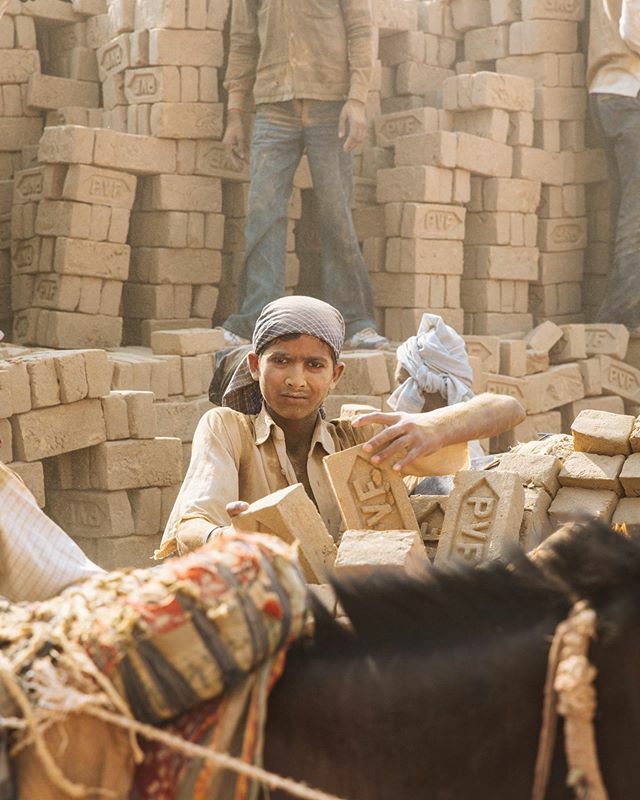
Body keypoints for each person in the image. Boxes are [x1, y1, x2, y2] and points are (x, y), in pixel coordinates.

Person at [160, 296, 526, 557]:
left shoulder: (360, 438)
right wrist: (224, 538)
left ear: (335, 375)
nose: (296, 380)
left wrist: (432, 426)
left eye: (314, 365)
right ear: (256, 366)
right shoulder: (228, 428)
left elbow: (509, 408)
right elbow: (191, 523)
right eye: (281, 361)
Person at [217, 0, 388, 351]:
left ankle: (354, 323)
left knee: (336, 215)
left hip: (331, 103)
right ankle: (257, 319)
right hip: (273, 106)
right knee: (263, 215)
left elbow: (360, 29)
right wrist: (234, 113)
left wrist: (357, 99)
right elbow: (243, 40)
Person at [588, 0, 640, 327]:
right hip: (628, 94)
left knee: (625, 209)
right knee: (635, 215)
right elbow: (633, 29)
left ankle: (620, 322)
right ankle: (618, 316)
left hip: (607, 92)